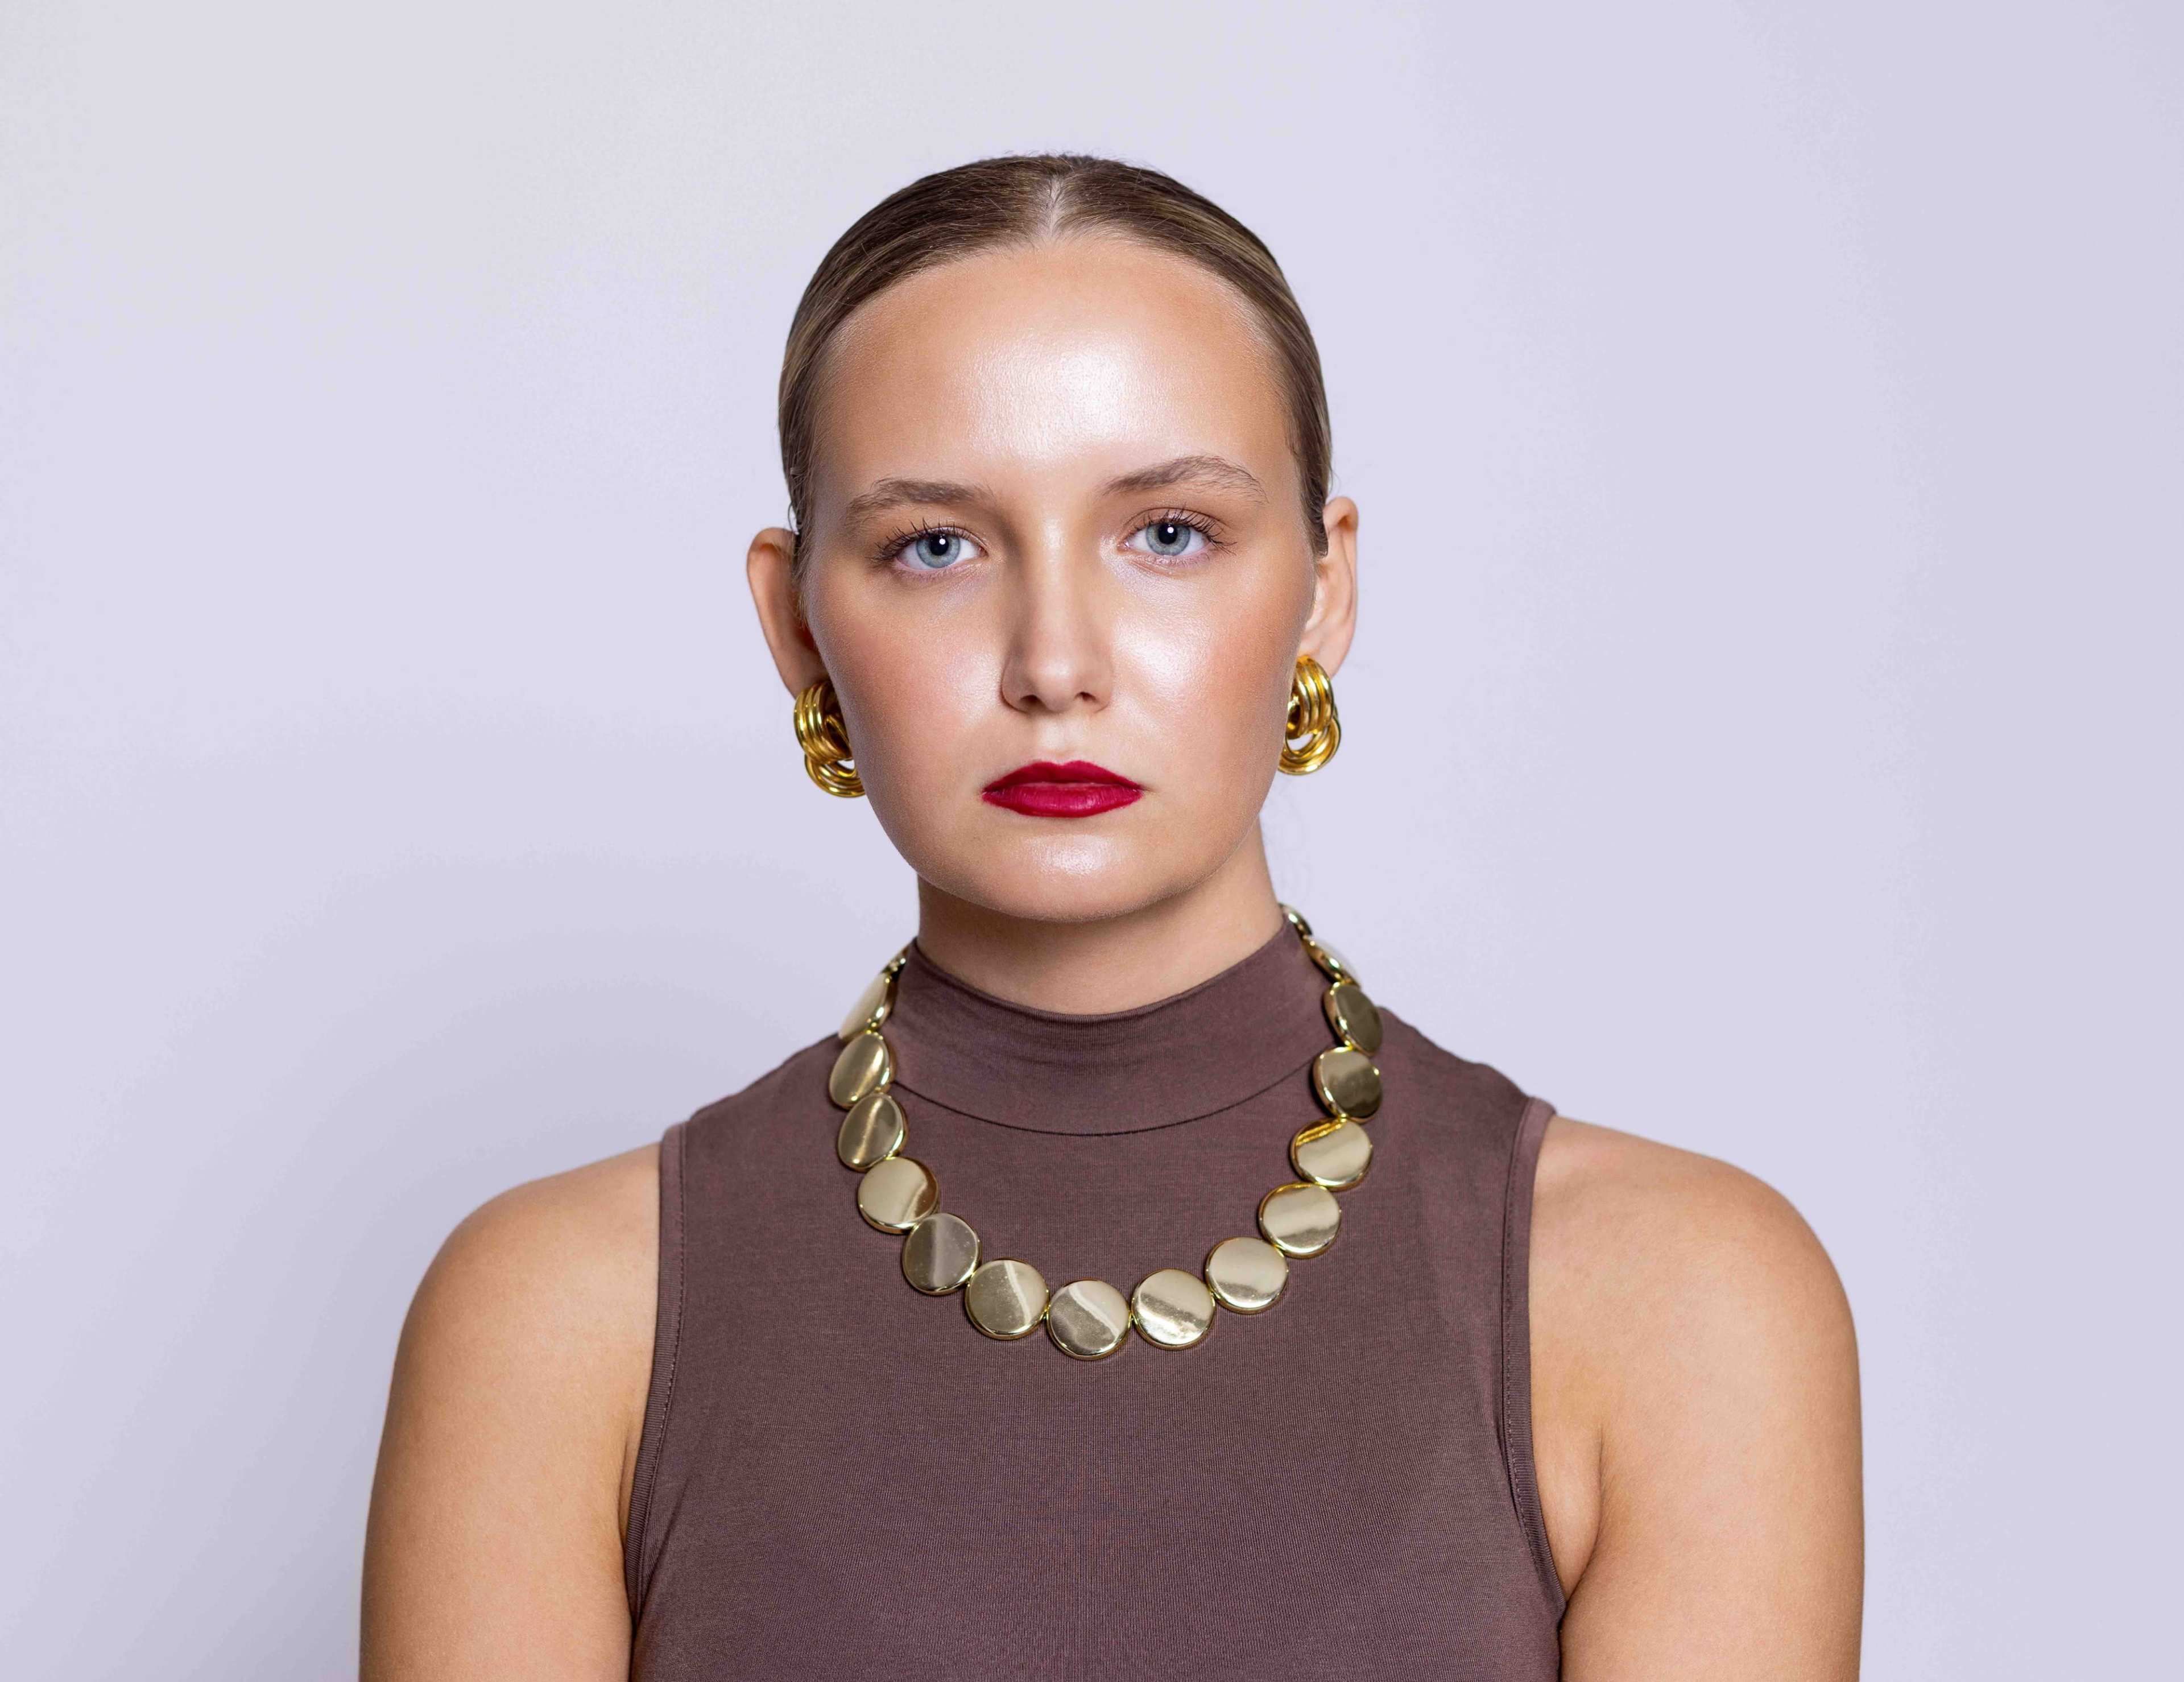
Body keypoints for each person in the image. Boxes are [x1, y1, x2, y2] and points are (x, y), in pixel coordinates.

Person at [361, 152, 1863, 1680]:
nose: (1055, 661)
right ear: (799, 622)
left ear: (1324, 589)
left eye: (1168, 535)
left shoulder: (1676, 1298)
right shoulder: (559, 1318)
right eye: (936, 546)